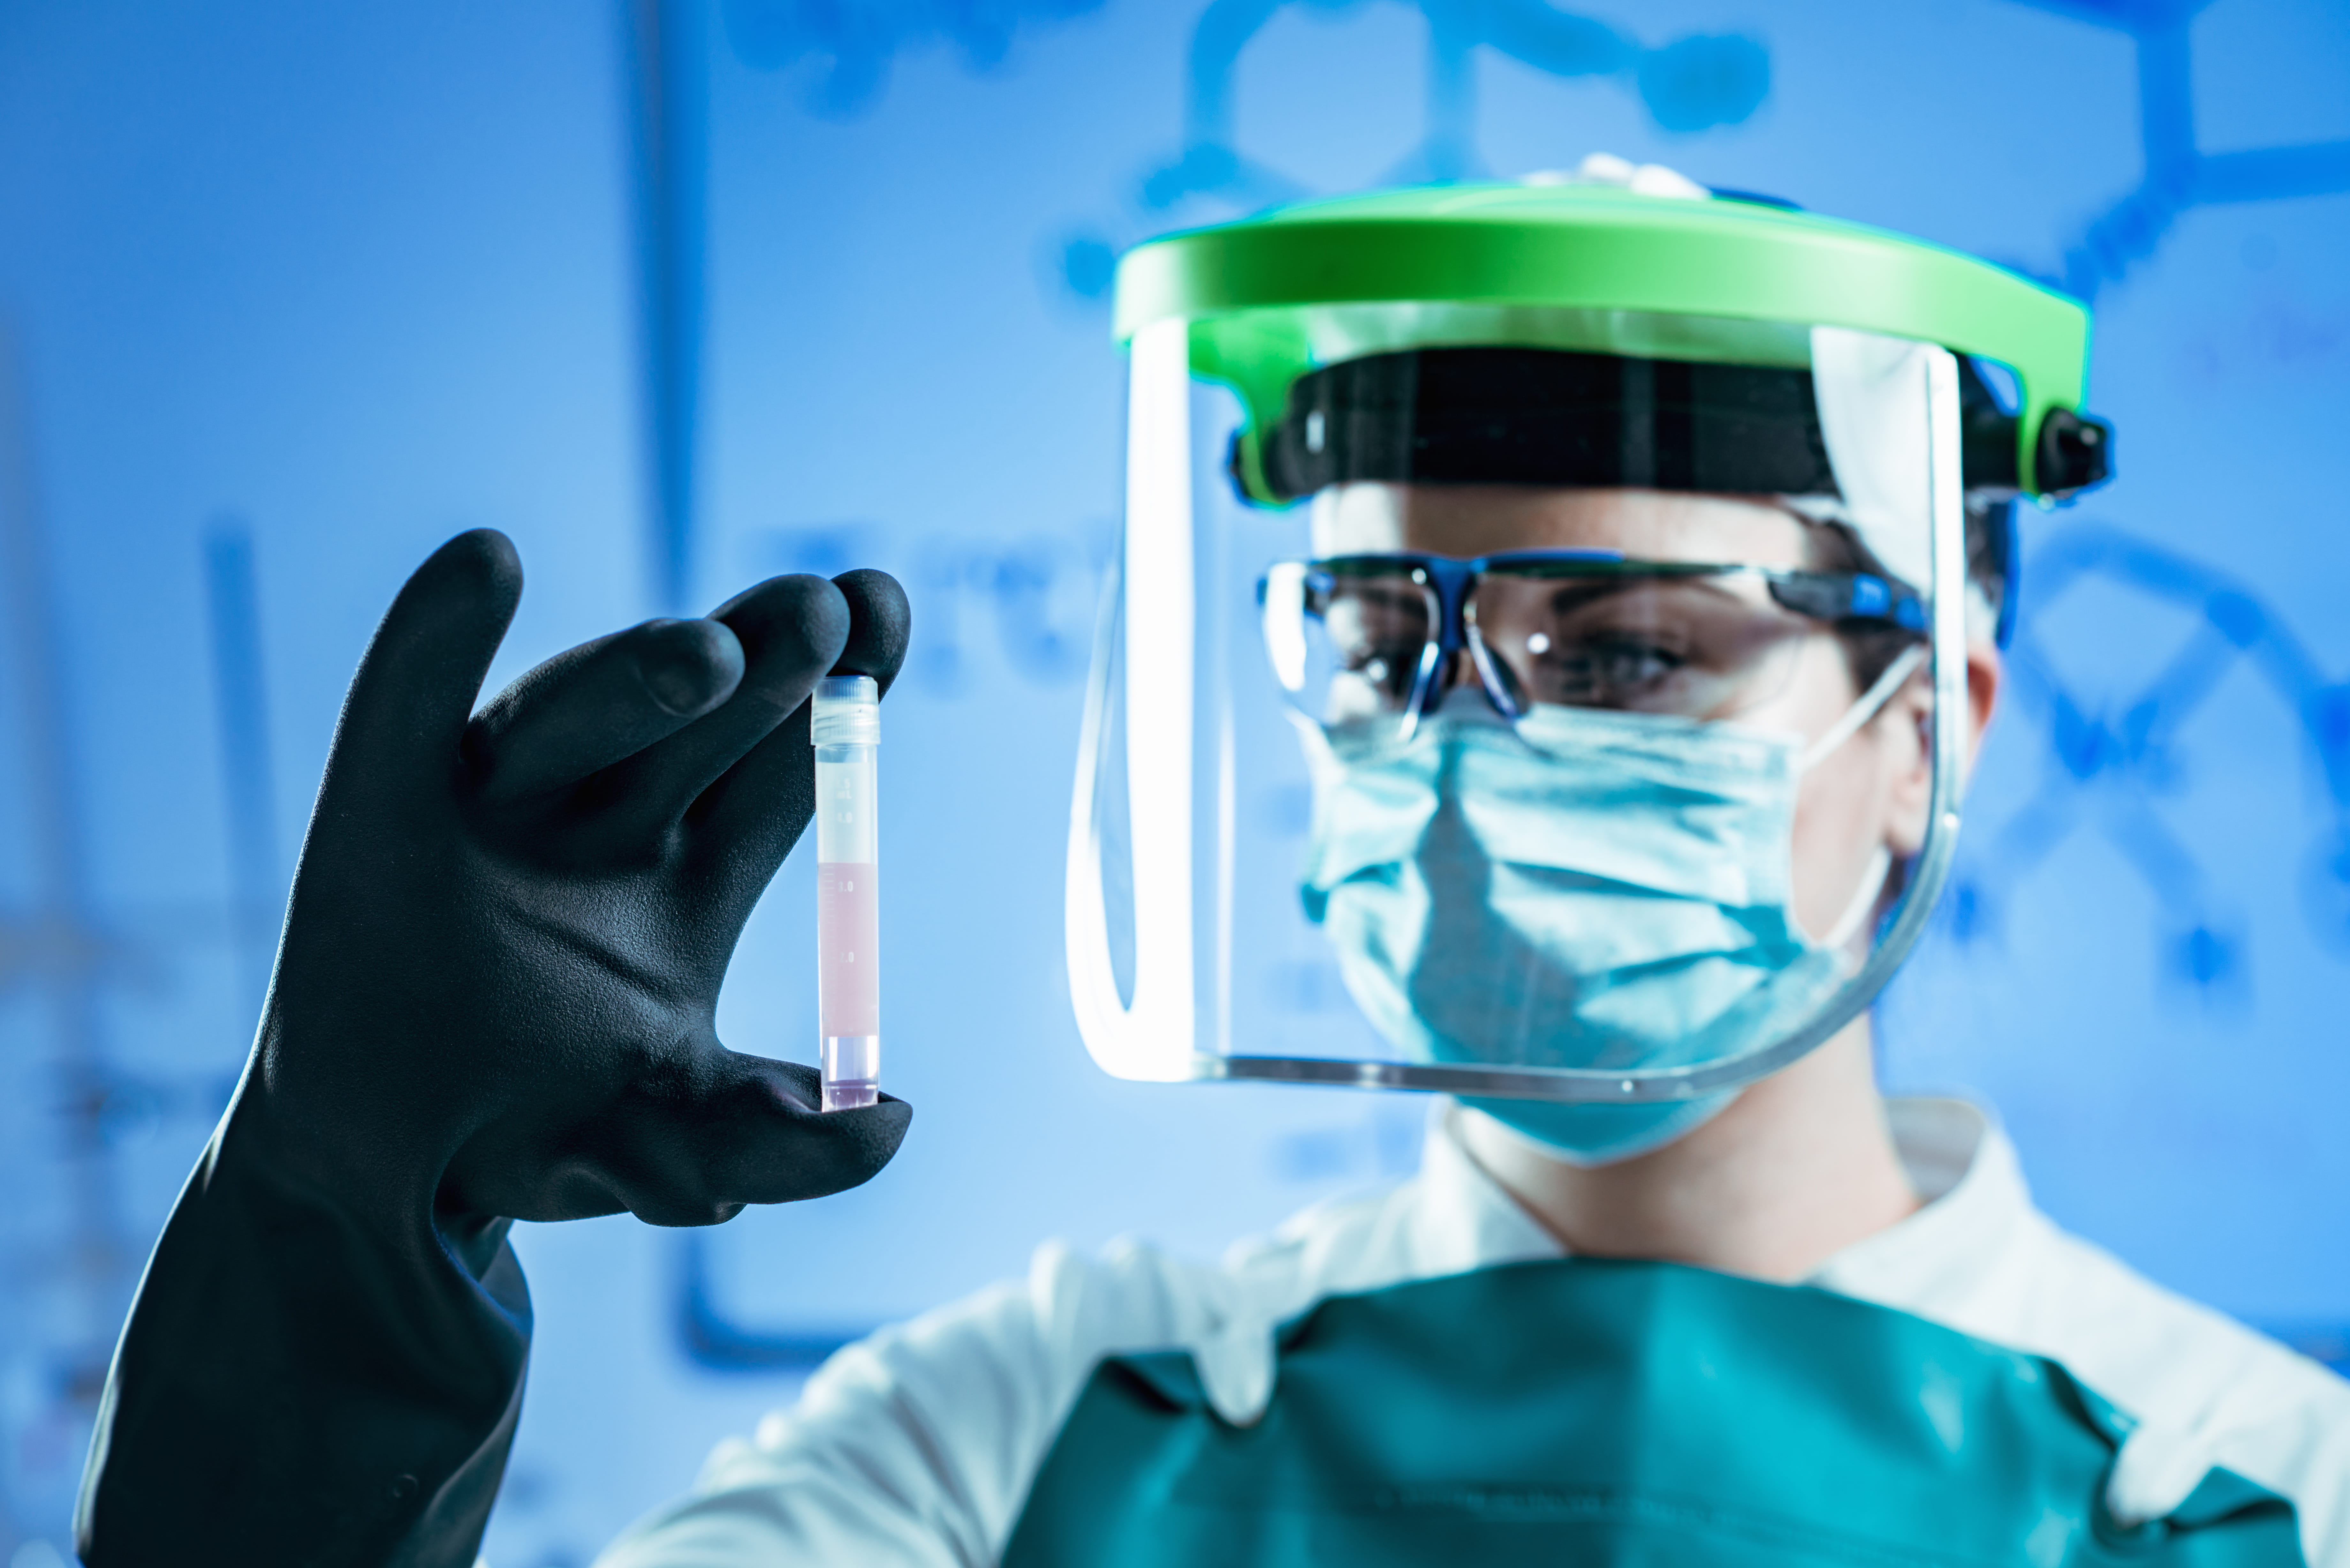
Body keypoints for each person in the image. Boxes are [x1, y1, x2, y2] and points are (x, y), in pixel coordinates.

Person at [76, 158, 2348, 1568]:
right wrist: (336, 1252)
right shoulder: (1027, 1433)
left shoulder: (2267, 1496)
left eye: (1634, 654)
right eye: (1382, 641)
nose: (1466, 747)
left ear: (1928, 725)